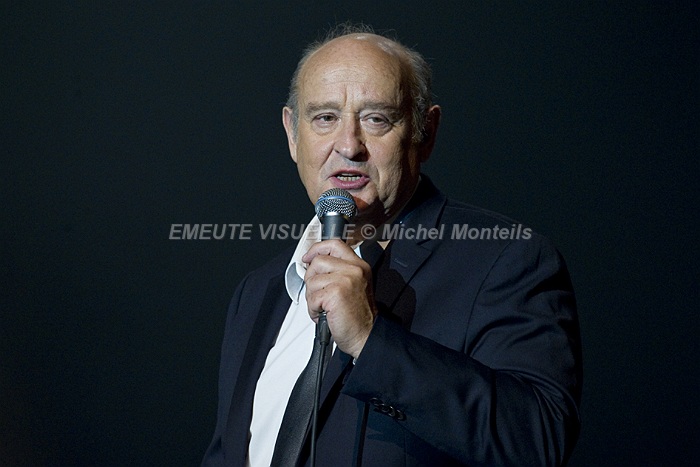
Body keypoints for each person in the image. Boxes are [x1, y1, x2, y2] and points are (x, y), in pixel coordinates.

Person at [202, 24, 582, 466]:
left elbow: (538, 440)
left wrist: (370, 339)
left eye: (376, 119)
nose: (348, 145)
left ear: (425, 132)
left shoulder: (506, 259)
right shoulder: (258, 293)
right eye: (325, 118)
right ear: (292, 134)